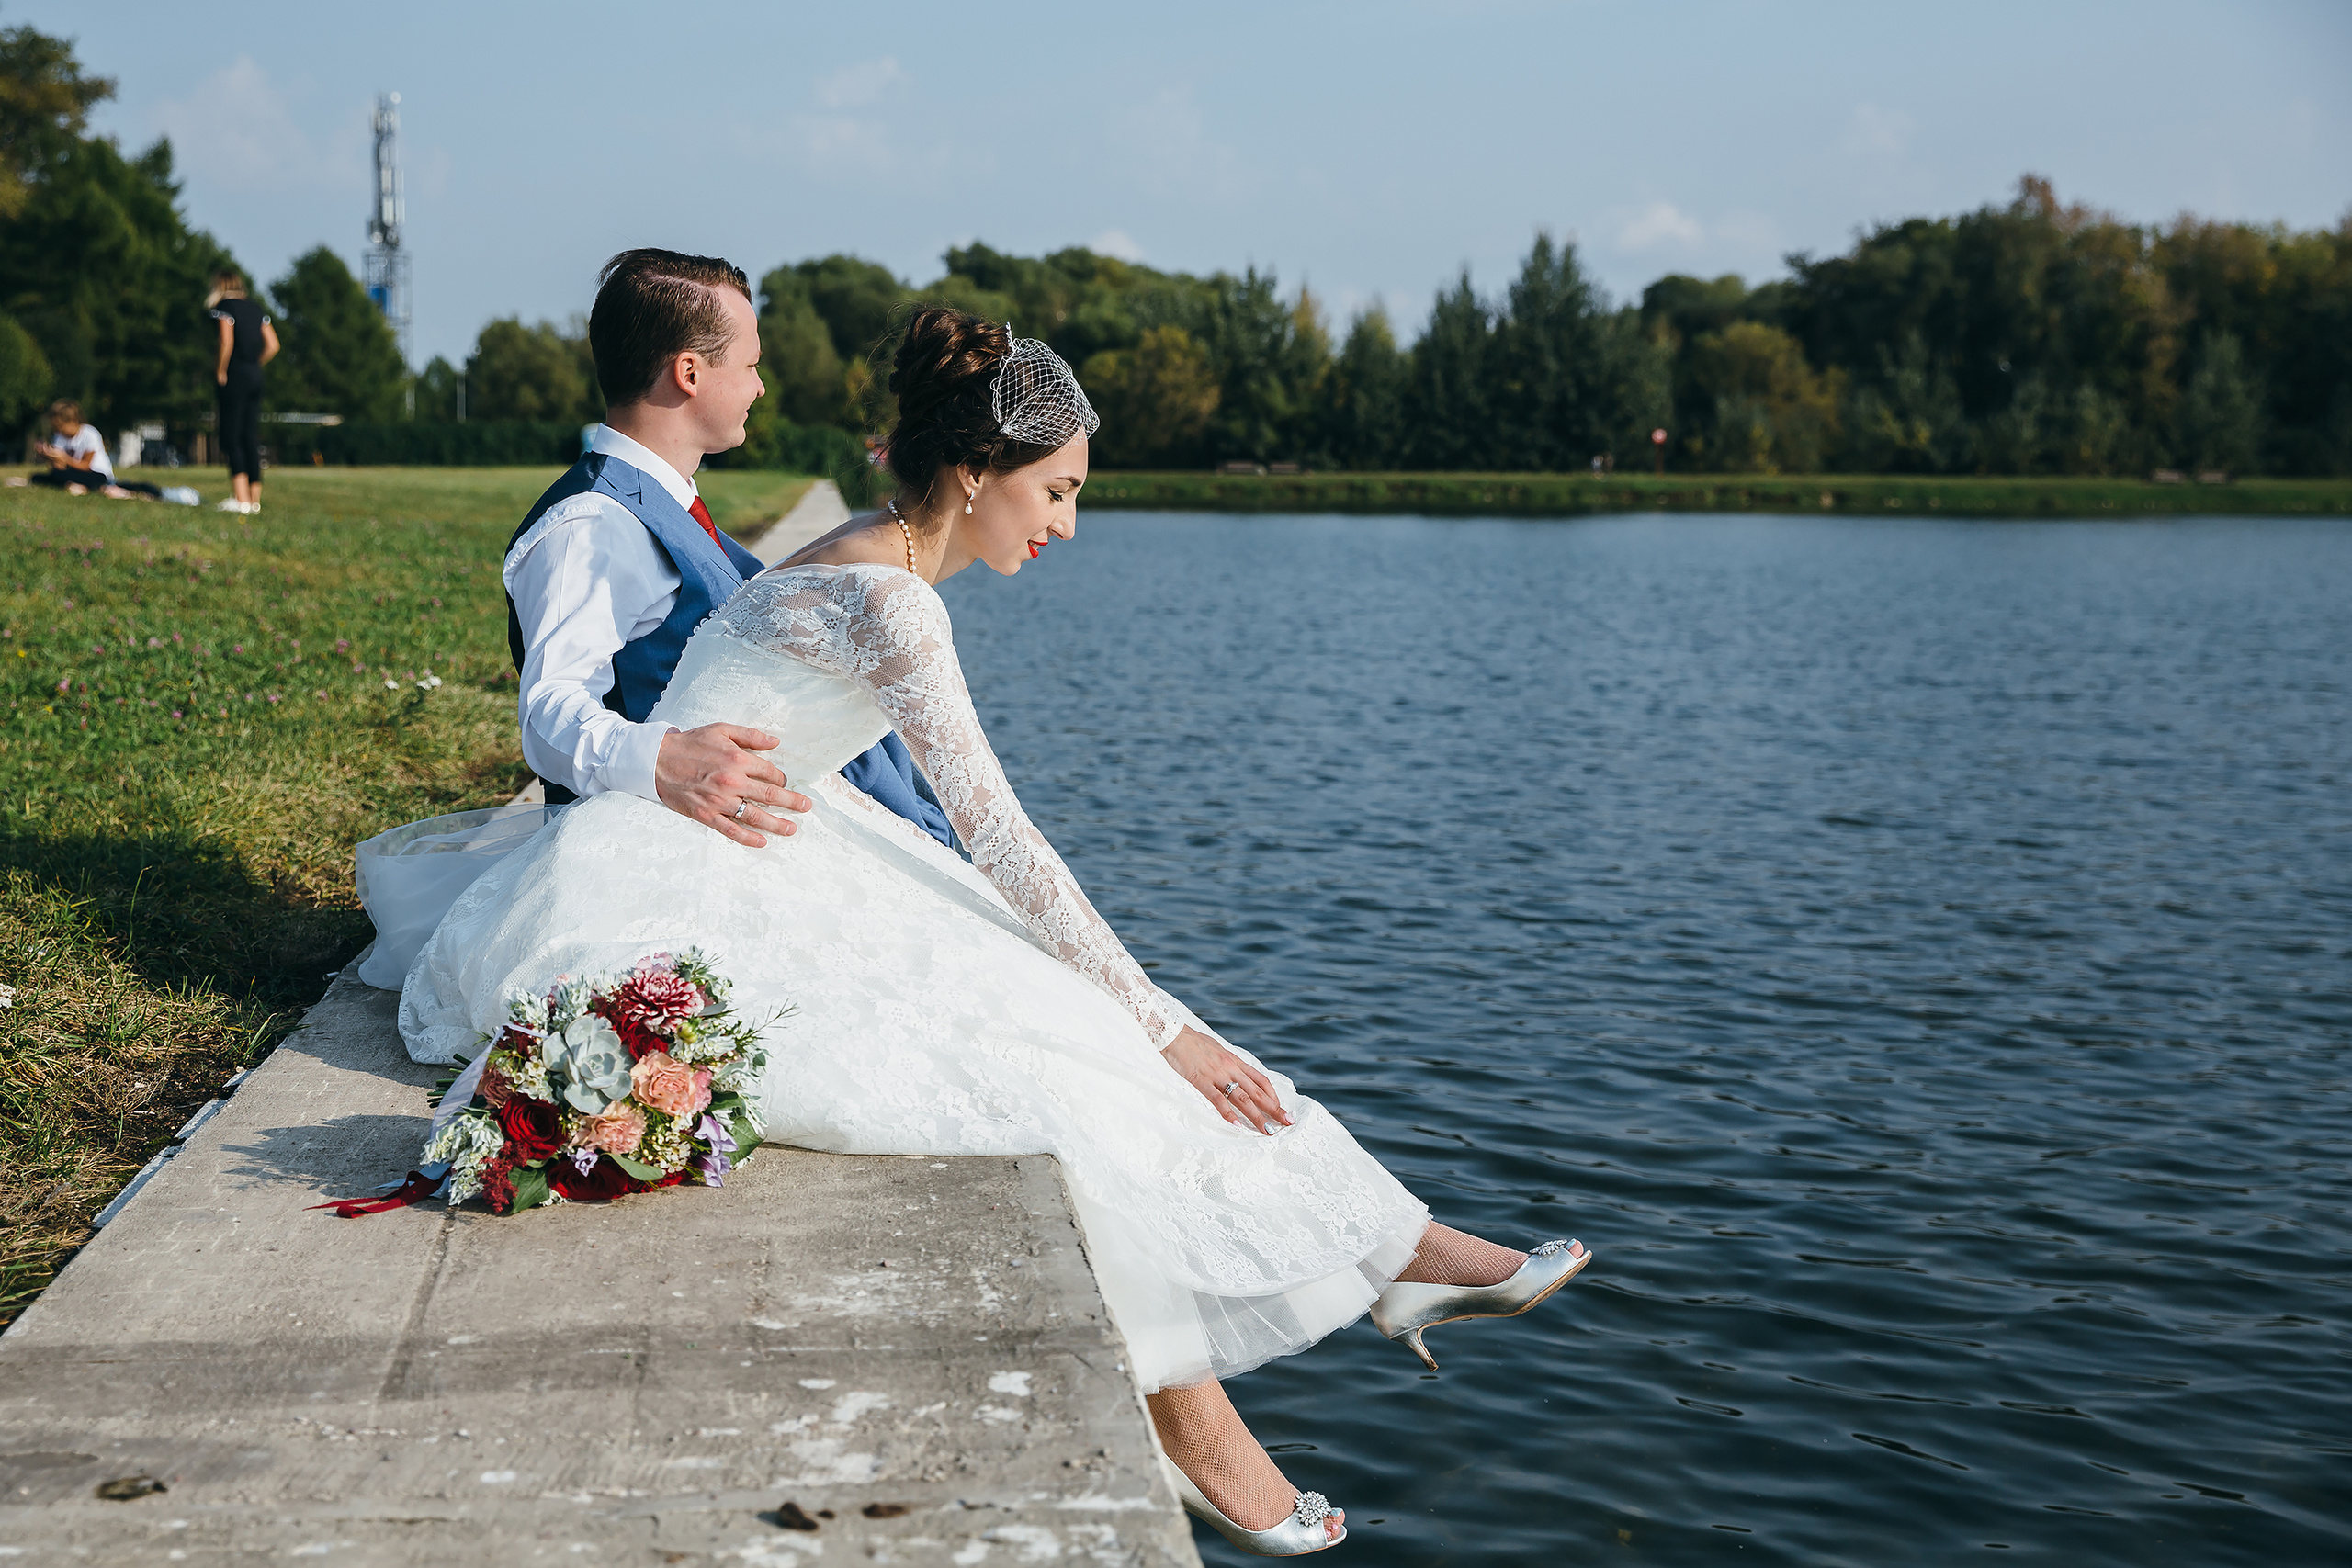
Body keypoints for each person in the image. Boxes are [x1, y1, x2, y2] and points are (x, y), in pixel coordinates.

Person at [395, 310, 1592, 1556]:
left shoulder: (867, 557)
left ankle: (1391, 1252)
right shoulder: (895, 604)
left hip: (756, 852)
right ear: (976, 474)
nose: (1068, 523)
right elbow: (1012, 842)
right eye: (1059, 489)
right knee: (1082, 1053)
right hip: (693, 888)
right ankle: (1331, 1311)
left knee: (1095, 1021)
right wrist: (1170, 1024)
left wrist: (1161, 1017)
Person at [503, 248, 950, 845]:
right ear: (689, 373)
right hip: (651, 853)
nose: (761, 388)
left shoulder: (667, 509)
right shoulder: (592, 523)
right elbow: (549, 712)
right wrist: (663, 760)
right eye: (749, 365)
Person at [209, 269, 277, 514]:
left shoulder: (225, 307)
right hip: (255, 376)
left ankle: (241, 499)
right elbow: (273, 345)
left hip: (236, 374)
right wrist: (255, 364)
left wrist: (220, 370)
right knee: (250, 436)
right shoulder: (256, 308)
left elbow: (226, 341)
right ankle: (254, 500)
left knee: (231, 435)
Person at [28, 400, 166, 500]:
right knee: (43, 477)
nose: (58, 430)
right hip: (74, 473)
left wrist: (65, 458)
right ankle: (76, 485)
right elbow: (60, 468)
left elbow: (86, 465)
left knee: (65, 478)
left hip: (96, 473)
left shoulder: (89, 434)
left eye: (61, 426)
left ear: (73, 421)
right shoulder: (59, 437)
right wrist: (49, 457)